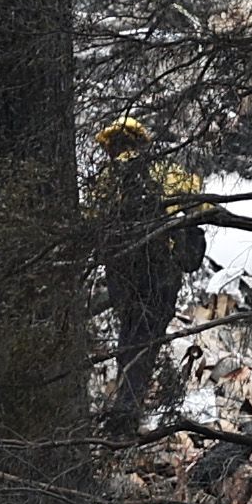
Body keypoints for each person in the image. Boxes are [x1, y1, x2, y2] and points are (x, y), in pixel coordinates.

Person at [92, 114, 211, 437]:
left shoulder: (107, 177)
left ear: (113, 145)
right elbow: (202, 205)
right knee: (146, 340)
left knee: (129, 338)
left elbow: (93, 220)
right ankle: (127, 413)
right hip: (161, 275)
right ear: (142, 143)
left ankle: (125, 408)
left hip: (122, 273)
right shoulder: (168, 172)